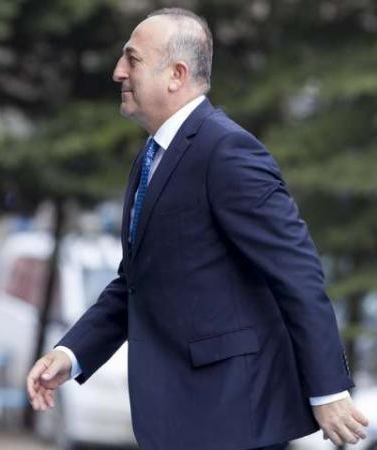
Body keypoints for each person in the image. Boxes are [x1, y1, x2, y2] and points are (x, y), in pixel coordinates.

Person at [26, 7, 369, 450]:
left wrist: (328, 390)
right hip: (180, 420)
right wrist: (71, 354)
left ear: (176, 75)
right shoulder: (151, 158)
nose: (118, 72)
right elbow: (135, 283)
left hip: (228, 421)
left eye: (132, 59)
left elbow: (296, 271)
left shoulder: (228, 151)